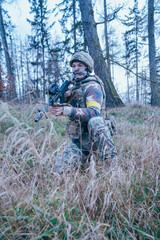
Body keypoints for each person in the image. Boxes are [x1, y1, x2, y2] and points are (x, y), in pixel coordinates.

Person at [50, 51, 117, 173]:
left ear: (87, 67)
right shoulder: (74, 88)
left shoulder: (92, 86)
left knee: (96, 121)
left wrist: (66, 110)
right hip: (81, 139)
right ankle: (85, 157)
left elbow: (93, 112)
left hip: (97, 135)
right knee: (58, 171)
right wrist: (62, 103)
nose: (76, 69)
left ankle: (111, 166)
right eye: (74, 66)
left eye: (80, 65)